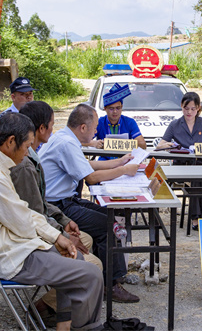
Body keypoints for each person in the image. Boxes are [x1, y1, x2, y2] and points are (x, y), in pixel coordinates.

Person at [0, 113, 103, 331]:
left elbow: (22, 211)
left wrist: (57, 237)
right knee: (90, 274)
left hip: (13, 247)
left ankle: (64, 325)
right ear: (10, 142)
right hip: (11, 257)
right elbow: (23, 223)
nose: (27, 153)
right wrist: (55, 238)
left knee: (76, 258)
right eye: (26, 147)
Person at [9, 101, 102, 327]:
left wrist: (64, 221)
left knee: (86, 239)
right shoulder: (23, 165)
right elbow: (32, 213)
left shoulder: (32, 155)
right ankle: (45, 309)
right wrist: (60, 234)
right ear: (40, 129)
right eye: (51, 124)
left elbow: (40, 204)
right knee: (93, 266)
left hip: (43, 225)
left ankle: (62, 309)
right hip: (26, 244)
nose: (54, 128)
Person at [39, 103, 141, 303]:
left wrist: (119, 162)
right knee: (108, 226)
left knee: (110, 217)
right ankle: (110, 285)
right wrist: (123, 171)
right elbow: (91, 177)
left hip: (64, 200)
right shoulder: (67, 143)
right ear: (83, 128)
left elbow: (86, 165)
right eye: (94, 128)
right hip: (57, 206)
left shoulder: (65, 137)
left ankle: (113, 274)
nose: (96, 132)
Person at [156, 92, 202, 230]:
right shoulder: (175, 124)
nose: (189, 112)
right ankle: (198, 217)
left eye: (193, 109)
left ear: (198, 108)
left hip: (201, 163)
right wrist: (169, 145)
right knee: (198, 176)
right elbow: (160, 145)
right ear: (181, 107)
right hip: (182, 164)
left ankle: (199, 216)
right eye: (186, 108)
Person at [89, 83, 146, 156]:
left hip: (126, 160)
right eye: (111, 108)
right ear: (105, 109)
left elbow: (143, 145)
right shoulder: (99, 122)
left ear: (122, 107)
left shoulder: (130, 122)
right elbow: (81, 141)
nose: (115, 112)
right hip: (105, 161)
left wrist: (117, 144)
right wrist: (93, 143)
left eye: (118, 108)